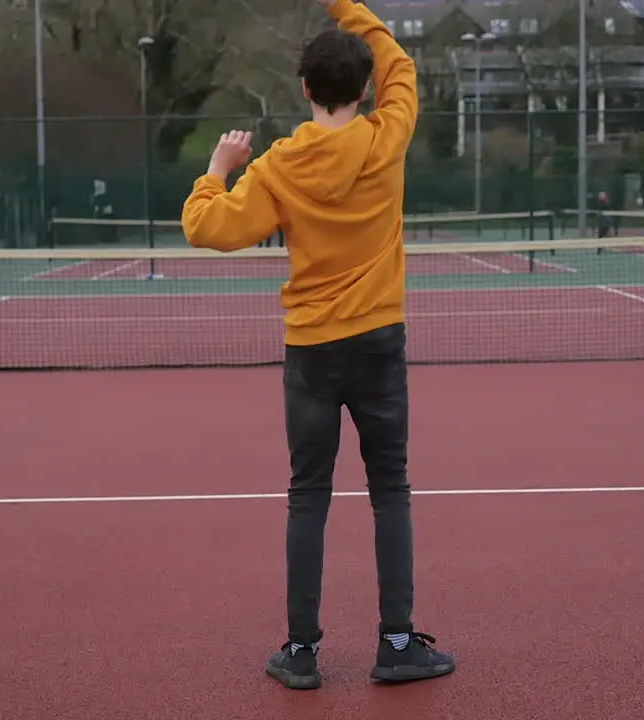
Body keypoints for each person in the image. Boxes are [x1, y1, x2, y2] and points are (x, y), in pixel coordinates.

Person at [180, 0, 454, 691]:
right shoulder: (387, 134)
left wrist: (217, 168)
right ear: (363, 89)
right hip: (379, 343)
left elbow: (205, 227)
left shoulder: (277, 167)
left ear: (304, 87)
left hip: (311, 350)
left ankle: (301, 653)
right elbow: (400, 61)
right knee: (390, 490)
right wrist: (346, 7)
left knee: (309, 497)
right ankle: (397, 645)